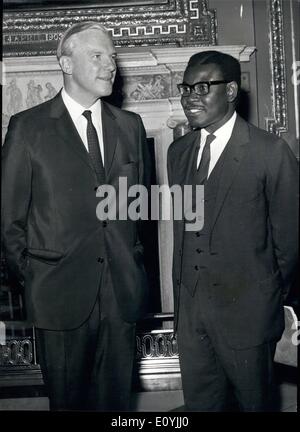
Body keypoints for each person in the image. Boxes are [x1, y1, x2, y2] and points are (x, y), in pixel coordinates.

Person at [1, 21, 151, 411]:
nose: (110, 66)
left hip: (121, 294)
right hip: (59, 297)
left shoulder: (130, 126)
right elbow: (9, 221)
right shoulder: (27, 128)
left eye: (112, 57)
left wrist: (132, 263)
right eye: (97, 56)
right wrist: (37, 275)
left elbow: (138, 211)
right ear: (66, 64)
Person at [167, 50, 298, 412]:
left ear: (230, 92)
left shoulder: (270, 152)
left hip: (247, 317)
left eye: (203, 86)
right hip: (192, 319)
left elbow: (289, 244)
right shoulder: (177, 153)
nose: (190, 96)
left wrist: (264, 300)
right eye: (186, 87)